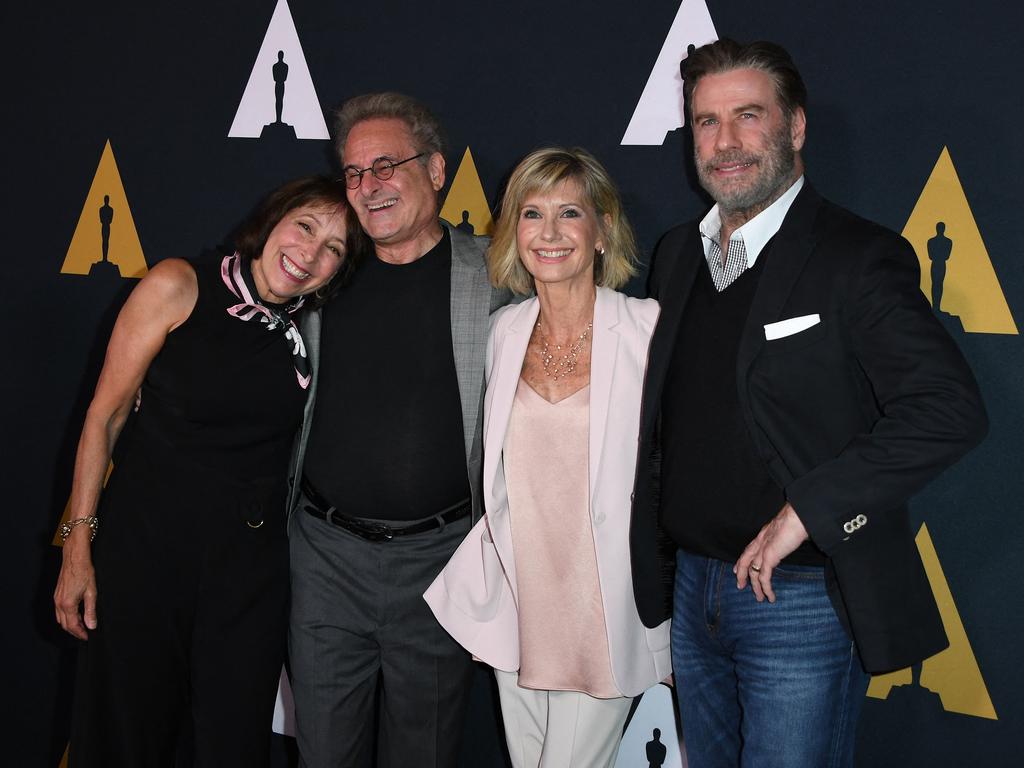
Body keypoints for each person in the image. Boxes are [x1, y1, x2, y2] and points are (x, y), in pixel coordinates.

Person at [629, 39, 988, 767]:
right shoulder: (673, 254)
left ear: (795, 128)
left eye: (747, 116)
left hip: (799, 600)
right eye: (705, 121)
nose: (724, 142)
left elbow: (949, 407)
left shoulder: (857, 256)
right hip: (695, 591)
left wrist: (808, 513)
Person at [54, 175, 365, 768]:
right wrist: (77, 548)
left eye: (334, 249)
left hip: (248, 578)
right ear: (271, 221)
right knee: (123, 736)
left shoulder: (313, 328)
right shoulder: (179, 284)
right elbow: (105, 417)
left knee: (231, 745)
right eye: (305, 226)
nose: (311, 253)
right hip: (145, 557)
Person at [425, 147, 671, 768]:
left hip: (604, 603)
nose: (551, 233)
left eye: (570, 213)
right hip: (519, 594)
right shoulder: (506, 330)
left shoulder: (648, 329)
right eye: (532, 214)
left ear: (602, 230)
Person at [287, 92, 511, 768]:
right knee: (324, 754)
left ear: (437, 171)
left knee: (426, 754)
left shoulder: (497, 275)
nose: (368, 186)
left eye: (386, 165)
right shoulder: (319, 274)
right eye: (353, 173)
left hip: (441, 561)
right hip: (324, 559)